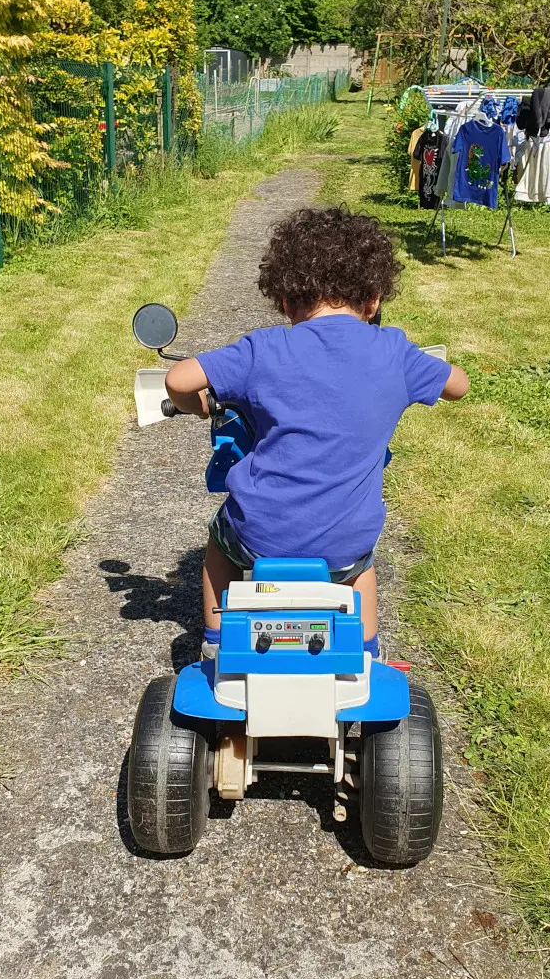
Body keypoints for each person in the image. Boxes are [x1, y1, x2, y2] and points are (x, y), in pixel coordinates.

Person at [163, 206, 469, 660]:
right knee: (361, 566)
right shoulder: (394, 350)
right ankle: (363, 653)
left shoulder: (263, 348)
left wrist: (198, 406)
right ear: (375, 298)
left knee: (219, 542)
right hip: (345, 543)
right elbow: (458, 385)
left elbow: (178, 381)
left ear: (286, 301)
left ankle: (216, 642)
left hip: (258, 537)